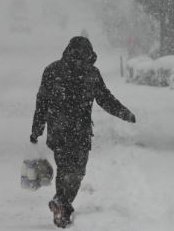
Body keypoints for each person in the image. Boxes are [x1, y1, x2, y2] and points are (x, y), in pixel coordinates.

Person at [30, 35, 136, 228]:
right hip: (79, 131)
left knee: (64, 168)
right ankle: (63, 203)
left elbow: (42, 103)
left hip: (58, 130)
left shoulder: (53, 70)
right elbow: (105, 99)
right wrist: (124, 113)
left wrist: (37, 129)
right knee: (77, 171)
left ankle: (61, 203)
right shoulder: (90, 73)